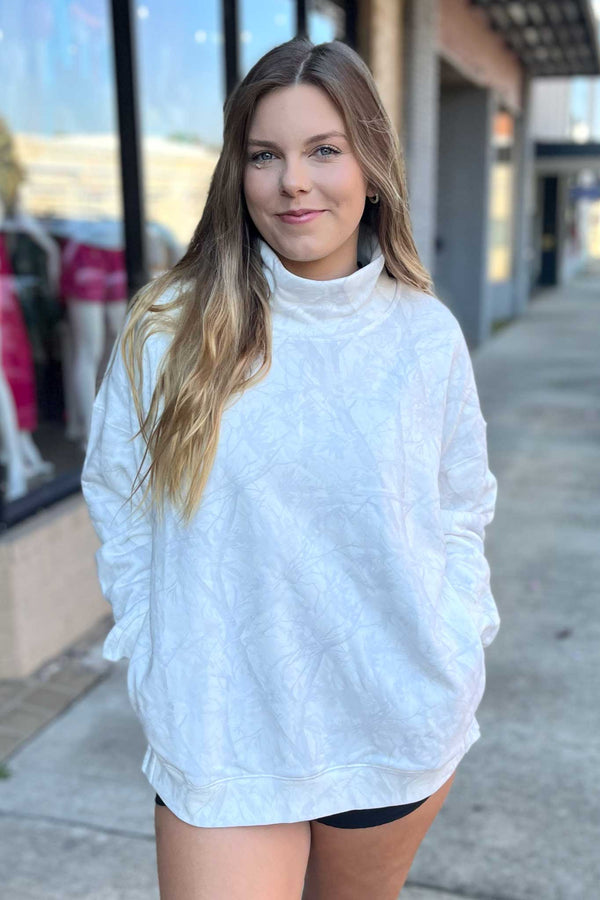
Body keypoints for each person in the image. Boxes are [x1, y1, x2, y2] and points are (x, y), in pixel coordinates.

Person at [81, 37, 499, 900]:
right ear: (239, 173)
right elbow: (117, 498)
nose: (292, 183)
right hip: (224, 726)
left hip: (393, 715)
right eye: (266, 156)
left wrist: (460, 637)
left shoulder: (424, 336)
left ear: (372, 167)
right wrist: (157, 652)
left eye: (323, 150)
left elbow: (461, 504)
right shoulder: (169, 328)